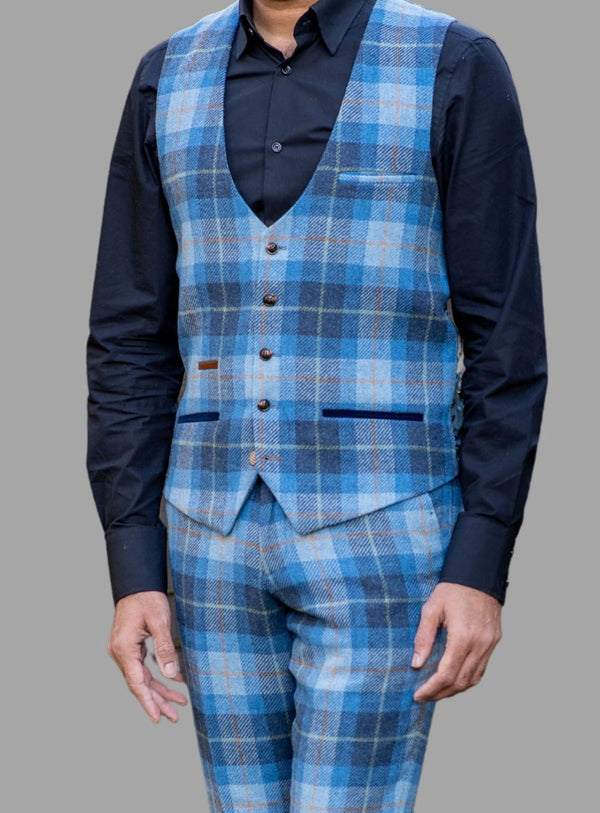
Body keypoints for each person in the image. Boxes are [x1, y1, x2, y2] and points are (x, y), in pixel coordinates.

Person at [86, 0, 547, 809]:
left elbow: (507, 341)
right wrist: (133, 566)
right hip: (207, 539)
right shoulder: (166, 74)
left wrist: (481, 562)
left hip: (383, 527)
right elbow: (128, 338)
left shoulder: (453, 62)